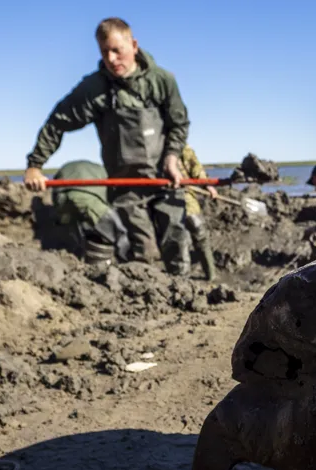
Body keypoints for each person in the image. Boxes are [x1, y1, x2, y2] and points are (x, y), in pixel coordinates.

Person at [22, 17, 193, 274]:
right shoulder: (95, 89)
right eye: (104, 52)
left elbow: (178, 124)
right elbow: (58, 122)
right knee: (143, 251)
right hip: (126, 187)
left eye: (117, 50)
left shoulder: (162, 81)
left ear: (133, 45)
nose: (111, 59)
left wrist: (171, 157)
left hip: (164, 180)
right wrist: (35, 165)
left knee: (177, 243)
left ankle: (188, 302)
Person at [50, 160, 130, 265]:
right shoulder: (104, 171)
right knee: (119, 231)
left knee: (73, 231)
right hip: (87, 198)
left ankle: (75, 257)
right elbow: (111, 197)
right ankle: (125, 262)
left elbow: (54, 193)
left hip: (62, 198)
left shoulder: (68, 167)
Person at [178, 144, 218, 281]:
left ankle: (210, 276)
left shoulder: (178, 145)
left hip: (183, 196)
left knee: (195, 235)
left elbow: (194, 166)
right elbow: (195, 167)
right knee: (184, 237)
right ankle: (183, 280)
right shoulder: (174, 144)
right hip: (177, 198)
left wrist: (207, 185)